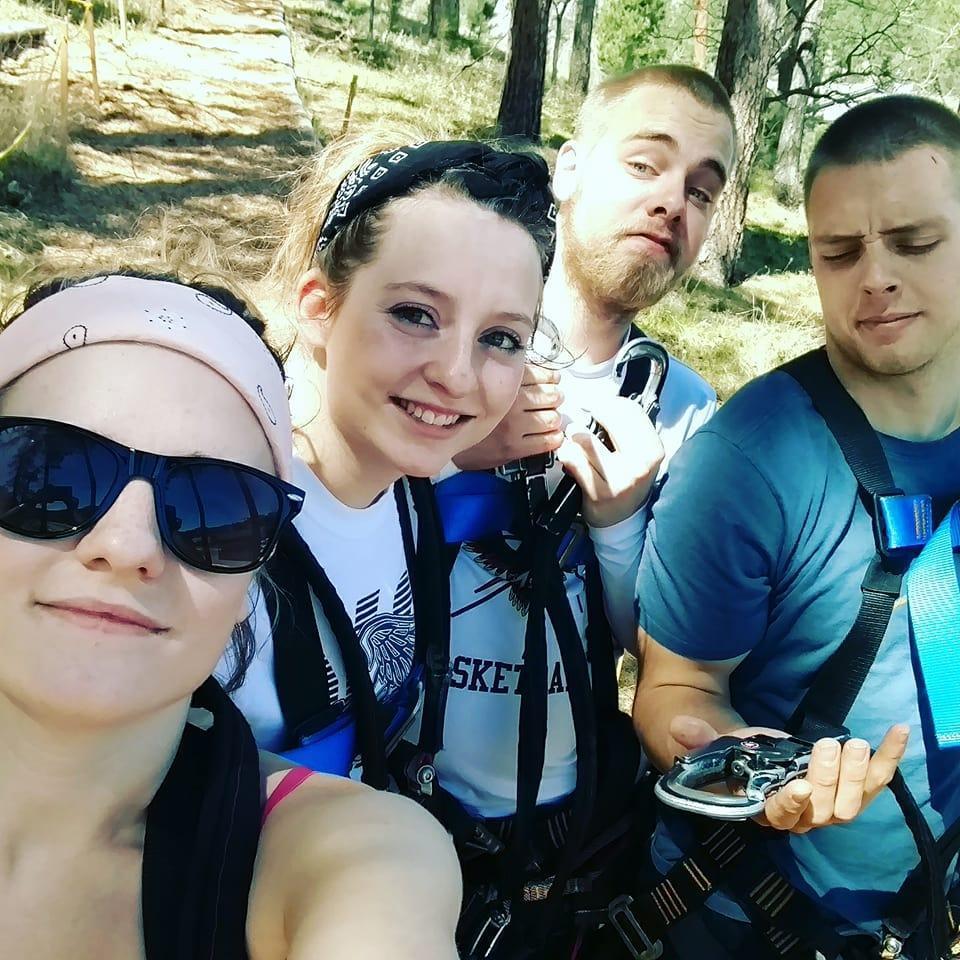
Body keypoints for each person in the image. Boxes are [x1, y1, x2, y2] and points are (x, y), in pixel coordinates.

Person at [0, 269, 461, 960]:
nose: (126, 547)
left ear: (253, 579)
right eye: (50, 476)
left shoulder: (346, 857)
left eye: (214, 508)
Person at [414, 66, 738, 958]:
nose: (673, 203)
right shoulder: (436, 343)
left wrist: (621, 521)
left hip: (569, 841)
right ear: (566, 170)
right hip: (392, 802)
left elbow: (661, 655)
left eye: (702, 190)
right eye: (645, 164)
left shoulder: (688, 413)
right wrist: (450, 453)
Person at [633, 94, 960, 959]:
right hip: (756, 912)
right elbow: (672, 688)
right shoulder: (751, 459)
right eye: (838, 253)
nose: (876, 277)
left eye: (916, 243)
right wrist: (736, 761)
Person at [221, 134, 557, 785]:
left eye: (500, 338)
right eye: (416, 314)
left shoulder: (415, 490)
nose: (458, 375)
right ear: (318, 309)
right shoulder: (221, 533)